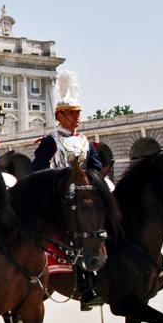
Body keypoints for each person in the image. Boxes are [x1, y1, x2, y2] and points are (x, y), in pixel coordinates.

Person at [30, 71, 103, 310]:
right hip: (60, 198)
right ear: (60, 115)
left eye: (78, 113)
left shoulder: (86, 142)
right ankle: (83, 283)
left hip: (83, 195)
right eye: (72, 113)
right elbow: (38, 170)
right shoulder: (51, 142)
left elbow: (96, 168)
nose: (76, 117)